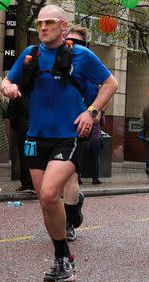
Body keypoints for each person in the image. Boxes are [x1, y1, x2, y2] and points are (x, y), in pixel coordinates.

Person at [1, 5, 118, 281]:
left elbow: (110, 84)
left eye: (49, 23)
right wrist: (8, 87)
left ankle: (63, 258)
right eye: (40, 23)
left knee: (51, 193)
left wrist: (91, 112)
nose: (43, 28)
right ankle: (62, 257)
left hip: (68, 136)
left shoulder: (81, 55)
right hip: (35, 137)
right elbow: (7, 80)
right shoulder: (30, 55)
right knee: (46, 201)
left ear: (62, 26)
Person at [61, 25, 97, 242]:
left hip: (77, 128)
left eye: (78, 43)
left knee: (71, 176)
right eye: (69, 42)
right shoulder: (51, 63)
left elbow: (97, 101)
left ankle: (68, 224)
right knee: (52, 183)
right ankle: (74, 208)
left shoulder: (89, 69)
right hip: (51, 128)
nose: (72, 47)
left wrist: (91, 115)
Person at [7, 93, 34, 192]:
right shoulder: (36, 91)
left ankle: (27, 183)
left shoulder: (17, 93)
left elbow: (10, 111)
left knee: (25, 156)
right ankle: (33, 182)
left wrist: (15, 125)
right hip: (34, 129)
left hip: (22, 129)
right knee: (31, 155)